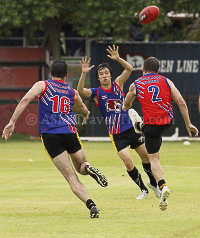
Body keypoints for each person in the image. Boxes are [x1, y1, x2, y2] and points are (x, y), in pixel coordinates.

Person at [2, 60, 108, 218]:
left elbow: (25, 99)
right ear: (66, 75)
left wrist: (12, 122)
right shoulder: (71, 91)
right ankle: (88, 168)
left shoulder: (43, 85)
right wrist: (86, 115)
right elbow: (83, 108)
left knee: (71, 176)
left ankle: (91, 205)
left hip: (50, 135)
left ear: (51, 73)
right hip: (70, 132)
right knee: (81, 166)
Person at [77, 45, 160, 200]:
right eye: (101, 74)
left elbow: (129, 69)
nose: (104, 76)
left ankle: (153, 183)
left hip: (132, 129)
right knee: (128, 162)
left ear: (110, 75)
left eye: (106, 73)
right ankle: (143, 189)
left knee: (146, 158)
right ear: (98, 78)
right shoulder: (97, 92)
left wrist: (117, 58)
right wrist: (83, 73)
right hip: (117, 135)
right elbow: (80, 91)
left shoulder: (118, 84)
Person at [122, 56, 199, 210]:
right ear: (158, 70)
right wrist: (189, 124)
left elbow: (127, 103)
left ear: (143, 70)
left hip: (150, 126)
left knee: (153, 159)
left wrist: (126, 107)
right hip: (167, 122)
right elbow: (182, 103)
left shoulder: (135, 84)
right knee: (154, 145)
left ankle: (162, 185)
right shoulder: (166, 81)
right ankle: (140, 126)